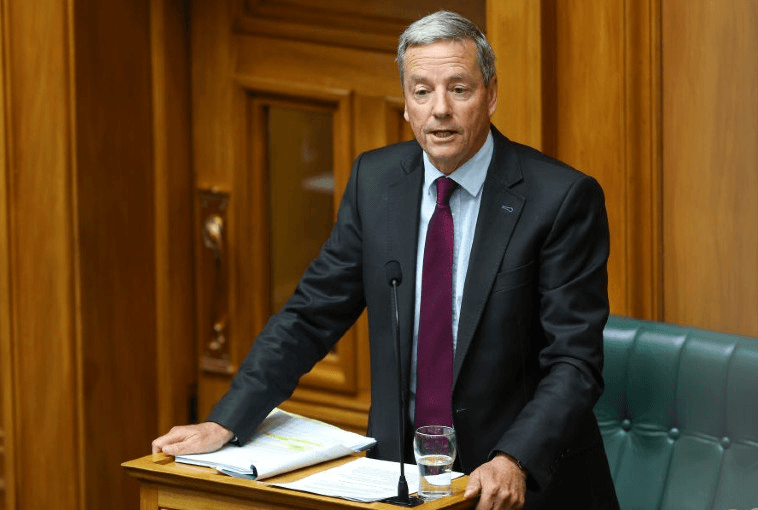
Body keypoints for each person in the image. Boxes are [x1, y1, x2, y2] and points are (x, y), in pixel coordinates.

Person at [153, 10, 619, 509]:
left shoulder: (561, 198)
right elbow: (311, 314)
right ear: (406, 103)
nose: (439, 109)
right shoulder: (376, 182)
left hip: (519, 486)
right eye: (422, 91)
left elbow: (574, 361)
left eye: (458, 89)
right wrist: (227, 420)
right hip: (402, 480)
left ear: (491, 94)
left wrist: (514, 459)